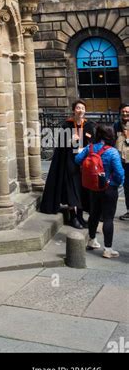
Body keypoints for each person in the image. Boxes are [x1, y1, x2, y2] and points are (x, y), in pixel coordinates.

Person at [39, 99, 95, 228]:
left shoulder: (89, 126)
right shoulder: (67, 125)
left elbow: (93, 143)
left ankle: (80, 216)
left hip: (84, 162)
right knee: (71, 189)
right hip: (70, 161)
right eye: (78, 108)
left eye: (82, 108)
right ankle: (73, 216)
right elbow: (61, 146)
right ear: (73, 110)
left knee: (82, 189)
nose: (80, 110)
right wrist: (70, 141)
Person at [75, 123, 125, 258]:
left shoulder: (90, 148)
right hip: (109, 188)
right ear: (110, 136)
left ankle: (92, 241)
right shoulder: (112, 152)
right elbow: (120, 173)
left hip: (93, 187)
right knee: (108, 218)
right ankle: (108, 249)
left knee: (94, 214)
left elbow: (77, 159)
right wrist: (118, 183)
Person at [113, 103, 129, 221]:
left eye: (127, 111)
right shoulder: (116, 125)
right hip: (121, 161)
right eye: (123, 111)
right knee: (126, 186)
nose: (125, 113)